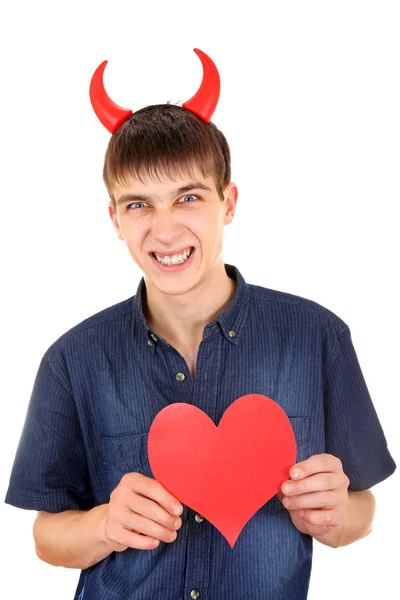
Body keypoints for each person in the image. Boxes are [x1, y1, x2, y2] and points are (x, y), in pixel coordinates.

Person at [4, 48, 396, 600]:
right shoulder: (72, 360)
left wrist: (336, 514)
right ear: (114, 219)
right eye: (139, 205)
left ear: (228, 203)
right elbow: (46, 536)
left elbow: (364, 510)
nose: (165, 232)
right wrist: (102, 526)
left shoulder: (317, 337)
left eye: (187, 198)